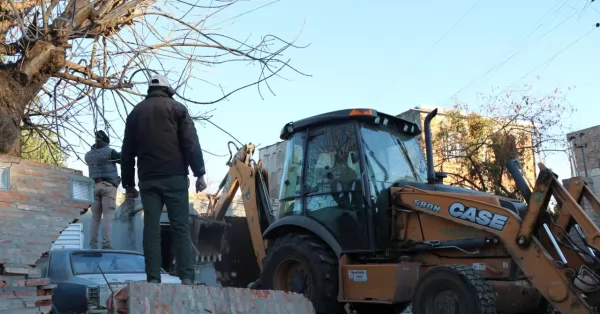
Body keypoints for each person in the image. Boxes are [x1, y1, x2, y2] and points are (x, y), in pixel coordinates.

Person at [121, 74, 207, 285]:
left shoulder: (135, 113)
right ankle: (186, 277)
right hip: (175, 177)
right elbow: (190, 142)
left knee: (151, 228)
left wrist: (129, 184)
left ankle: (153, 278)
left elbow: (127, 152)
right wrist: (199, 173)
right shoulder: (177, 108)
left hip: (148, 179)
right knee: (180, 227)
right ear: (168, 89)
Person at [84, 130, 121, 249]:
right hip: (108, 186)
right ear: (106, 141)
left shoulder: (88, 155)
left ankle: (93, 245)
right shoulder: (110, 151)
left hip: (94, 187)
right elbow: (123, 159)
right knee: (108, 216)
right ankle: (106, 244)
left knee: (95, 217)